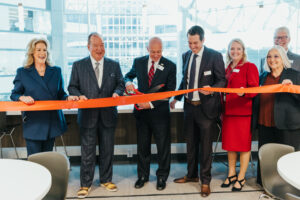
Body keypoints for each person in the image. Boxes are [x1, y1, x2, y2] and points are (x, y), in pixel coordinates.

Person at [170, 25, 226, 197]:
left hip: (207, 109)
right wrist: (177, 98)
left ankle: (206, 180)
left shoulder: (214, 56)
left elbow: (223, 80)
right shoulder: (186, 55)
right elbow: (185, 81)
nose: (192, 46)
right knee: (191, 144)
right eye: (189, 43)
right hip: (189, 107)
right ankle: (192, 175)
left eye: (195, 43)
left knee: (205, 148)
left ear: (203, 40)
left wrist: (213, 88)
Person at [68, 32, 125, 198]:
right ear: (88, 47)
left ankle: (106, 179)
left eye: (102, 45)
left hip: (108, 115)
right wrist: (79, 95)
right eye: (96, 45)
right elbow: (72, 87)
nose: (99, 49)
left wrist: (117, 92)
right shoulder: (78, 65)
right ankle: (85, 184)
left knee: (107, 150)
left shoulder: (114, 65)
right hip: (87, 115)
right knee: (87, 151)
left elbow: (120, 83)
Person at [124, 37, 176, 191]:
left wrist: (151, 103)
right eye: (153, 52)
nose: (155, 55)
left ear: (162, 50)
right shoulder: (138, 62)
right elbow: (128, 76)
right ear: (147, 49)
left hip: (160, 114)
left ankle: (162, 177)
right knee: (143, 147)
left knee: (163, 148)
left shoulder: (170, 66)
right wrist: (128, 83)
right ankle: (142, 176)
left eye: (158, 52)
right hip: (141, 114)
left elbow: (170, 91)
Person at [10, 38, 76, 156]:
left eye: (44, 50)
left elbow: (60, 93)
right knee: (35, 161)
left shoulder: (56, 71)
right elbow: (14, 94)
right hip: (33, 122)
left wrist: (67, 98)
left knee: (47, 159)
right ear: (32, 53)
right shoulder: (23, 72)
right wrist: (22, 98)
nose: (42, 53)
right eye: (38, 50)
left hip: (51, 121)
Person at [253, 45, 300, 185]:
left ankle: (288, 185)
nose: (271, 60)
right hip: (265, 123)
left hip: (287, 124)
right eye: (269, 57)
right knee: (267, 156)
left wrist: (292, 88)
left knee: (287, 157)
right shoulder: (262, 77)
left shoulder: (294, 74)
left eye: (275, 56)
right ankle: (266, 183)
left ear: (282, 58)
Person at [221, 39, 259, 191]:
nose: (235, 51)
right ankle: (231, 174)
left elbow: (255, 89)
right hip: (228, 112)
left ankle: (241, 177)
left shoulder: (250, 66)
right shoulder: (227, 68)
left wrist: (244, 93)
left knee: (243, 147)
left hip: (243, 114)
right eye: (232, 49)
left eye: (238, 49)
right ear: (228, 50)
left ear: (243, 50)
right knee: (231, 145)